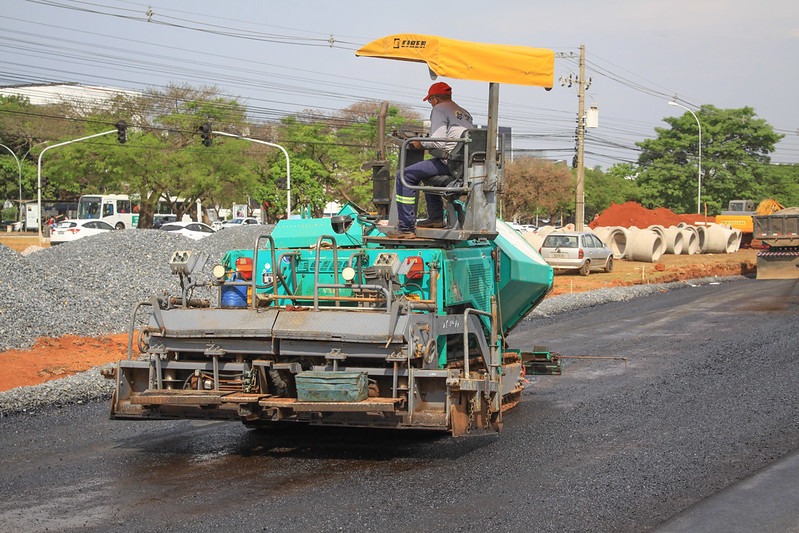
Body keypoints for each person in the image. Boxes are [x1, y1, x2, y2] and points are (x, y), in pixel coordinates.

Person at [390, 82, 474, 238]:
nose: (431, 104)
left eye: (430, 101)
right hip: (465, 166)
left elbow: (438, 142)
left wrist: (419, 142)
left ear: (434, 99)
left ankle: (405, 228)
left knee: (405, 175)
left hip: (450, 163)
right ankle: (435, 218)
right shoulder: (464, 112)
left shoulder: (439, 109)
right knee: (425, 174)